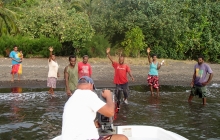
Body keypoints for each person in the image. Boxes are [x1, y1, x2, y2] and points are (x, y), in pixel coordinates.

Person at [61, 76, 128, 140]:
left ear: (77, 86)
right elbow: (110, 112)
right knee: (122, 138)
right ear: (91, 85)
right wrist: (108, 96)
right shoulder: (88, 94)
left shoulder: (71, 99)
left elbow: (78, 119)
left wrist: (93, 124)